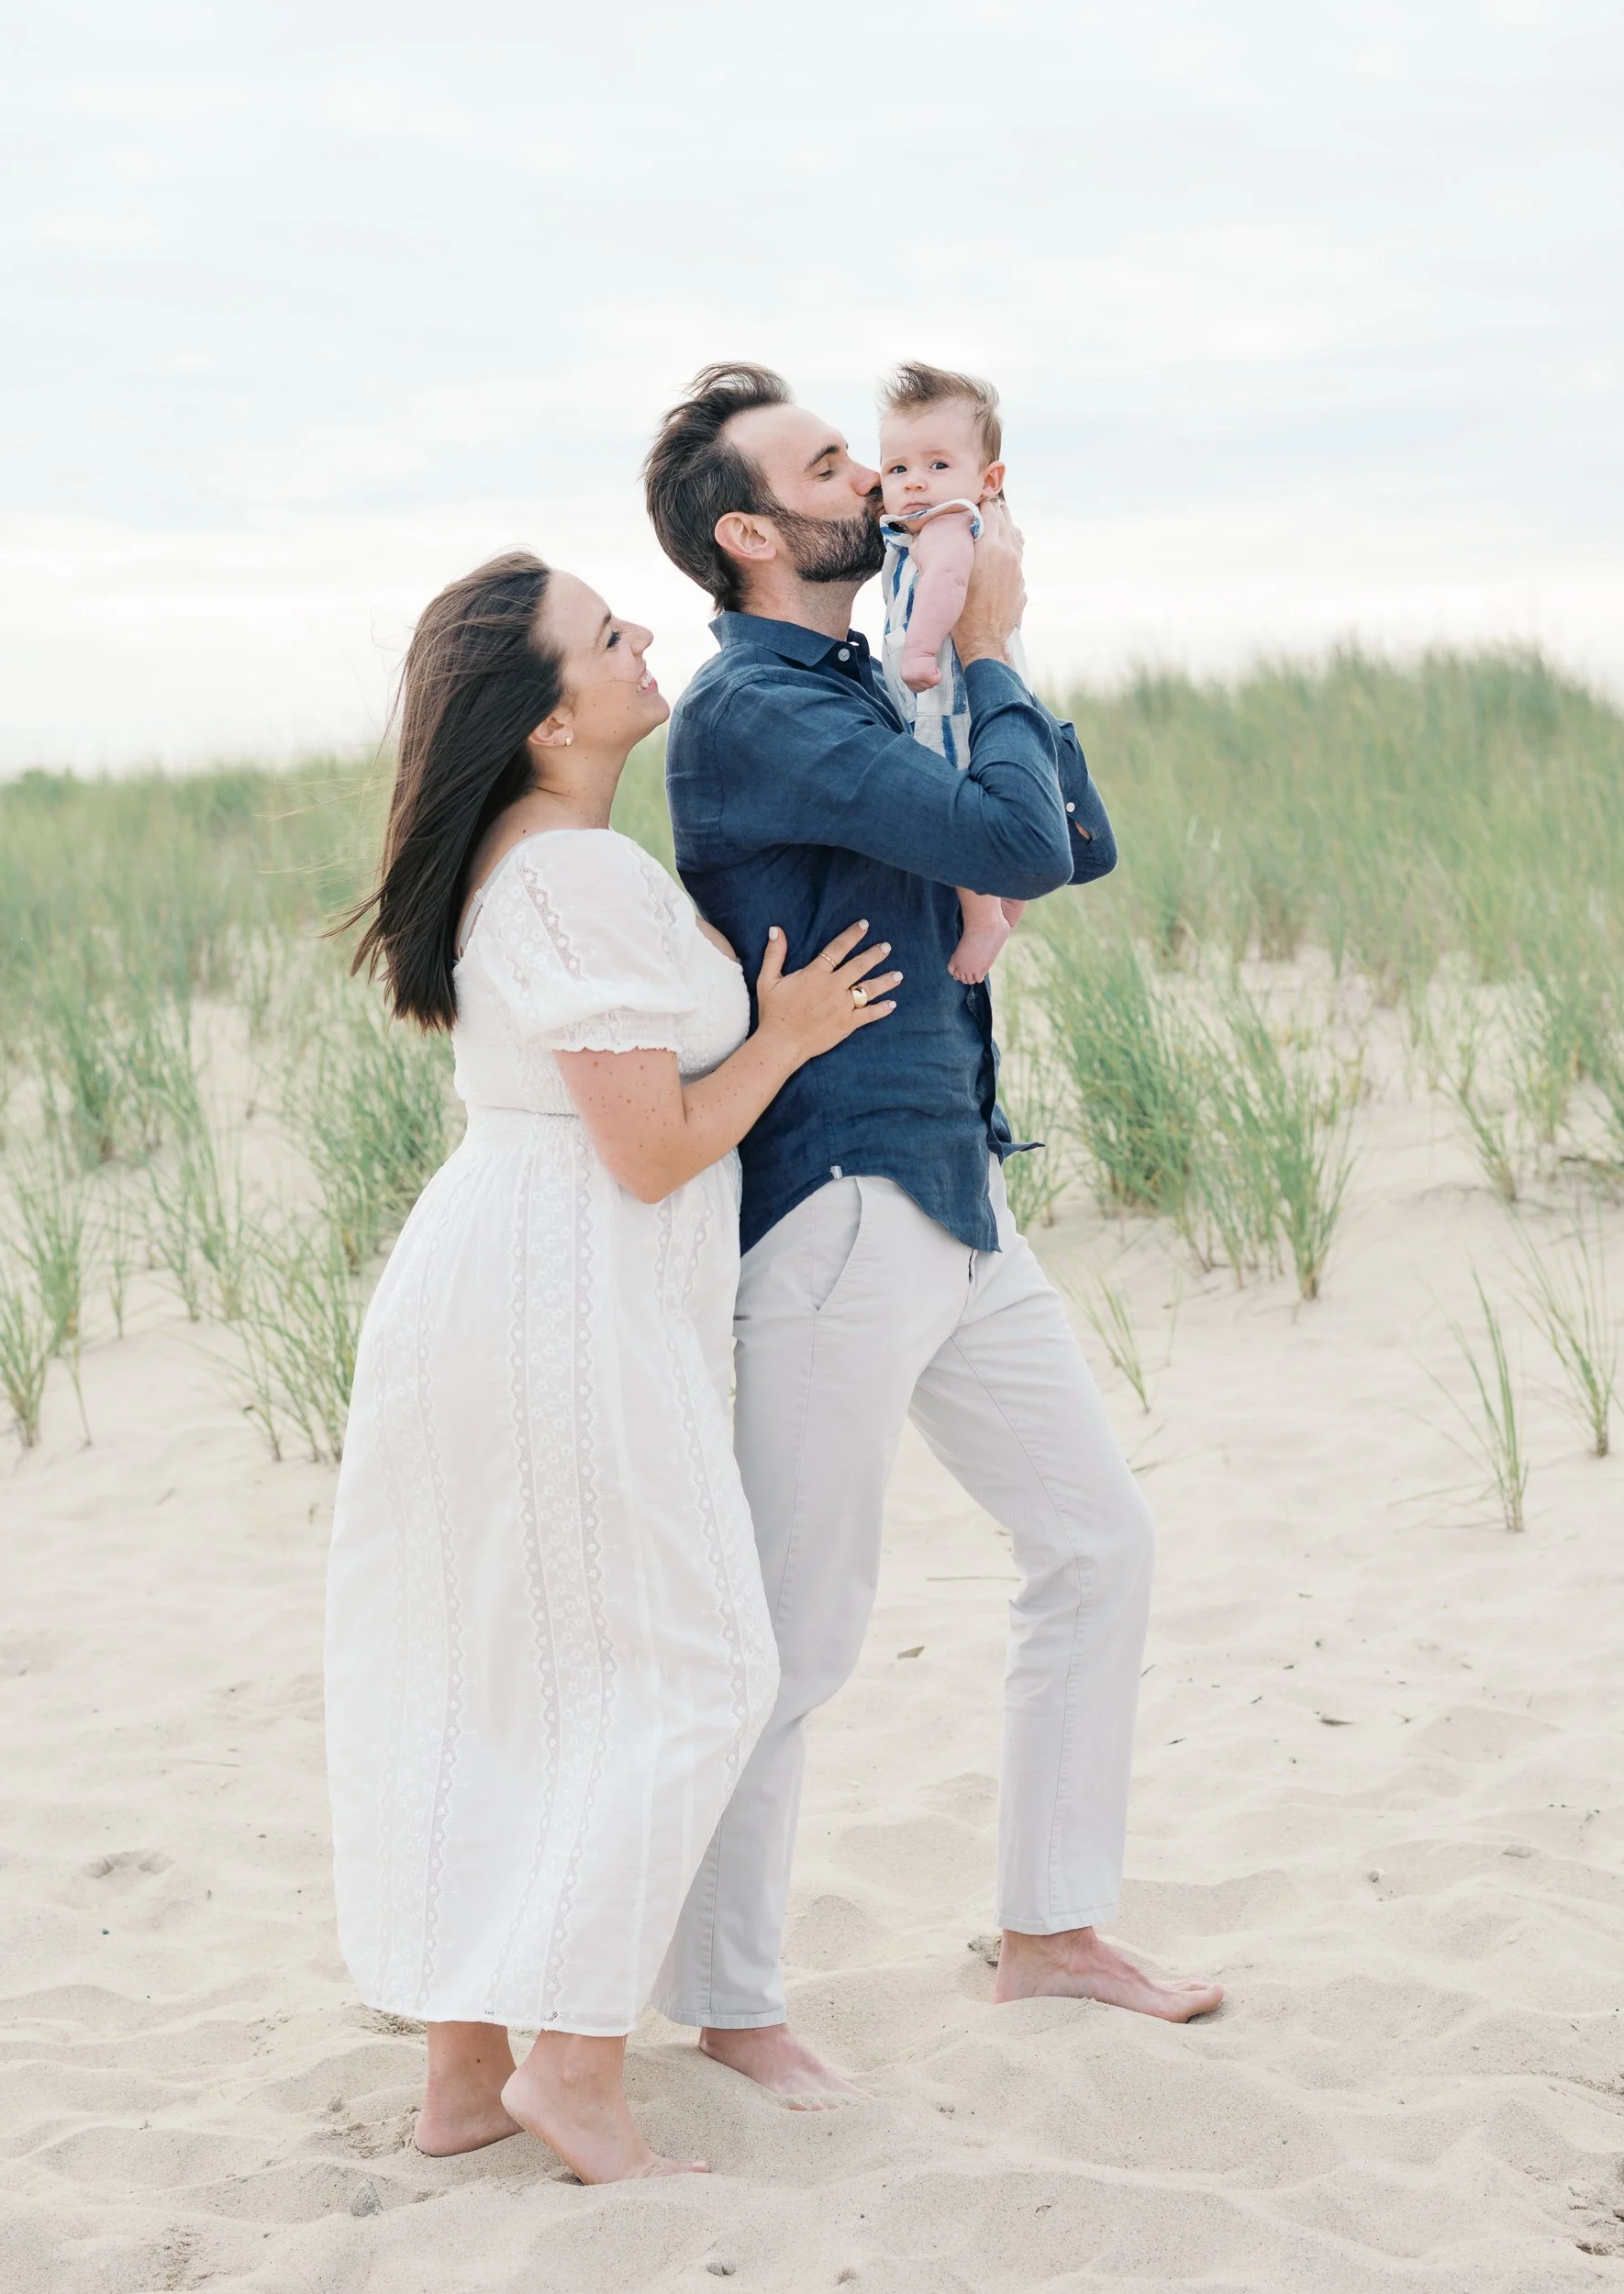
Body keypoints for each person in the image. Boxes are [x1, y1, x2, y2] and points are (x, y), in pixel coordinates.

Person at [642, 364, 1224, 2110]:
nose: (873, 481)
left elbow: (1073, 838)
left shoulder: (865, 677)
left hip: (957, 1188)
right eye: (831, 465)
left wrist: (983, 641)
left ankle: (1051, 1931)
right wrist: (986, 654)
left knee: (1096, 1544)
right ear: (751, 533)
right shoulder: (754, 709)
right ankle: (731, 2005)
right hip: (831, 1209)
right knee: (798, 1632)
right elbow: (1017, 844)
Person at [323, 550, 900, 2181]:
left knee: (507, 1671)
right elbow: (646, 1153)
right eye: (607, 632)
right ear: (541, 715)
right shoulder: (566, 876)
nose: (645, 637)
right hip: (560, 1298)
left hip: (522, 1287)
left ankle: (462, 2078)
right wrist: (784, 1039)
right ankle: (571, 2071)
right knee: (699, 1665)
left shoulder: (554, 857)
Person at [877, 360, 1029, 984]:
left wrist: (917, 651)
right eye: (897, 469)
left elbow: (944, 583)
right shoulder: (924, 520)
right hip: (971, 681)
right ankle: (1006, 901)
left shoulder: (946, 524)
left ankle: (981, 916)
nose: (916, 482)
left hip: (947, 689)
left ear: (987, 479)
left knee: (953, 800)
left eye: (937, 465)